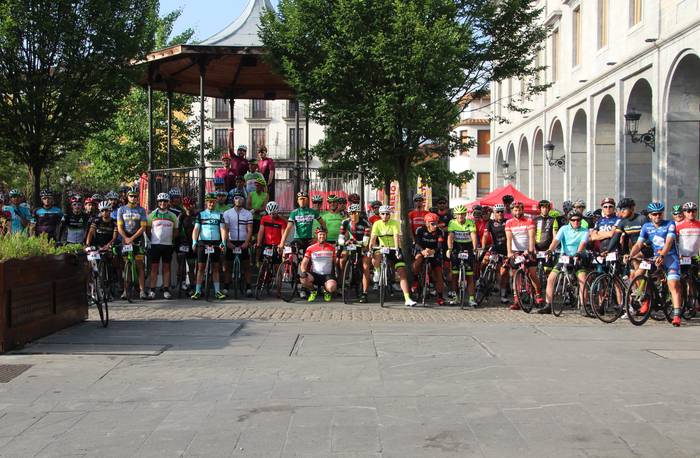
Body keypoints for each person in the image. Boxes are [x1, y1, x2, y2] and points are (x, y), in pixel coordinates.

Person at [628, 202, 683, 327]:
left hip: (670, 257)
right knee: (639, 273)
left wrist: (662, 255)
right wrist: (630, 255)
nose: (657, 216)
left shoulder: (669, 224)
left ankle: (676, 315)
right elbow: (638, 244)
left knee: (673, 284)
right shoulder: (646, 226)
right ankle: (647, 298)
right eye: (654, 214)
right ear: (650, 215)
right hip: (655, 257)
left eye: (659, 213)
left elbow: (669, 242)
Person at [541, 210, 590, 314]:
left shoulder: (585, 230)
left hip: (578, 257)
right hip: (564, 257)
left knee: (583, 280)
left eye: (578, 220)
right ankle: (548, 305)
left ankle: (584, 307)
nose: (576, 222)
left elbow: (583, 243)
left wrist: (578, 253)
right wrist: (550, 250)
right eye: (573, 220)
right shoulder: (564, 228)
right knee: (550, 279)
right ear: (569, 220)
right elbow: (556, 241)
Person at [369, 205, 416, 306]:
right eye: (383, 214)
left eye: (387, 214)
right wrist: (370, 248)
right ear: (379, 214)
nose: (385, 216)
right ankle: (377, 271)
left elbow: (396, 236)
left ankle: (407, 298)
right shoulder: (377, 224)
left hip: (393, 248)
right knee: (375, 257)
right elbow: (373, 237)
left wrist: (397, 249)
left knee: (402, 273)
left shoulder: (394, 223)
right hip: (381, 248)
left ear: (390, 215)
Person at [505, 201, 543, 309]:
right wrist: (509, 252)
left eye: (519, 210)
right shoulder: (509, 222)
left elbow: (531, 236)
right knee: (515, 275)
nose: (517, 212)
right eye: (515, 210)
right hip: (516, 251)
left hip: (528, 250)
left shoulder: (529, 220)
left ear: (522, 210)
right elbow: (509, 239)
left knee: (532, 274)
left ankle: (538, 294)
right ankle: (516, 300)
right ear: (512, 211)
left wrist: (530, 250)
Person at [191, 193, 227, 300]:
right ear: (206, 203)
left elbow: (223, 229)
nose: (211, 204)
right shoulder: (200, 215)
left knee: (215, 268)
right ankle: (197, 291)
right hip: (203, 243)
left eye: (213, 202)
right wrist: (194, 241)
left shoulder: (220, 215)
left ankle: (217, 291)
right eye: (210, 202)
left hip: (215, 243)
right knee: (201, 268)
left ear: (216, 202)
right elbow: (196, 229)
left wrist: (223, 242)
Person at [116, 187, 148, 300]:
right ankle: (125, 291)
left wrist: (133, 238)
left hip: (138, 238)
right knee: (126, 266)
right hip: (126, 238)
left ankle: (142, 291)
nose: (133, 198)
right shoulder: (121, 210)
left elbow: (143, 227)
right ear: (127, 197)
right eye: (131, 196)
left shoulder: (141, 210)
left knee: (139, 264)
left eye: (135, 196)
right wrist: (126, 238)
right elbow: (119, 227)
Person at [146, 193, 179, 299]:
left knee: (166, 268)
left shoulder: (173, 215)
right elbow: (147, 230)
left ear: (168, 202)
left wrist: (171, 240)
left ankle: (166, 289)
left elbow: (176, 231)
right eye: (161, 201)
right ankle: (152, 290)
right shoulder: (152, 215)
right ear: (158, 202)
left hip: (168, 245)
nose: (163, 203)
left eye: (165, 201)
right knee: (154, 268)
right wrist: (152, 240)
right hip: (155, 245)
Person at [338, 203, 372, 303]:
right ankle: (344, 279)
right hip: (351, 244)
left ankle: (365, 293)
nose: (353, 215)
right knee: (342, 259)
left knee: (365, 266)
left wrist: (358, 242)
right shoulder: (345, 222)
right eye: (351, 213)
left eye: (356, 213)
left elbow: (366, 241)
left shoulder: (365, 223)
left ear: (359, 213)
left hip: (363, 245)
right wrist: (344, 242)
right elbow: (341, 237)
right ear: (348, 214)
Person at [411, 213, 446, 305]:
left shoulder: (439, 231)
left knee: (438, 274)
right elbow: (417, 243)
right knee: (417, 260)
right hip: (422, 250)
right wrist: (423, 251)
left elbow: (440, 245)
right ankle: (415, 280)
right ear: (426, 223)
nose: (435, 225)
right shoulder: (420, 230)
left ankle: (440, 296)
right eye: (432, 223)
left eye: (436, 223)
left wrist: (433, 251)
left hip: (434, 252)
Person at [223, 191, 254, 296]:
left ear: (244, 200)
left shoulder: (248, 214)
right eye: (236, 198)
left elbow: (249, 229)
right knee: (228, 266)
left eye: (241, 198)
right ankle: (226, 287)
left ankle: (248, 287)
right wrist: (227, 242)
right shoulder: (227, 213)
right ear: (233, 200)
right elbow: (226, 229)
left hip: (243, 241)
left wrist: (246, 242)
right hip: (231, 240)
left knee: (246, 266)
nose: (238, 200)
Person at [446, 205, 478, 307]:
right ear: (455, 215)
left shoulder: (470, 222)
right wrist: (449, 249)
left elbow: (473, 236)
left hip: (468, 247)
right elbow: (450, 236)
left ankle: (471, 299)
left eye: (462, 214)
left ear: (465, 214)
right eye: (458, 214)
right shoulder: (452, 222)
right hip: (456, 247)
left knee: (469, 275)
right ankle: (455, 297)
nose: (460, 216)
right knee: (454, 274)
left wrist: (475, 248)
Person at [299, 227, 337, 301]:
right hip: (315, 275)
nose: (322, 236)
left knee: (332, 287)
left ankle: (326, 291)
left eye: (324, 234)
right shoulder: (310, 248)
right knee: (303, 278)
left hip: (327, 275)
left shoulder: (332, 248)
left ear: (326, 235)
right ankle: (313, 291)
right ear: (317, 235)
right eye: (320, 234)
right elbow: (304, 262)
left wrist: (337, 274)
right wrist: (303, 272)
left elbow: (335, 262)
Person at [482, 203, 510, 304]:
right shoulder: (490, 223)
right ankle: (482, 279)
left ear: (504, 212)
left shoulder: (508, 222)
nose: (500, 213)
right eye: (498, 212)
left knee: (504, 273)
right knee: (484, 261)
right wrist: (483, 247)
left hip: (505, 250)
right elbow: (485, 235)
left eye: (501, 211)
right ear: (494, 213)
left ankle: (503, 294)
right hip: (494, 248)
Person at [177, 196, 198, 293]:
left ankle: (193, 285)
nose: (188, 207)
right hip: (183, 242)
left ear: (194, 205)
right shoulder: (181, 216)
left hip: (194, 243)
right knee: (181, 264)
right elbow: (177, 230)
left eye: (190, 205)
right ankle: (181, 283)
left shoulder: (197, 215)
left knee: (192, 266)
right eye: (185, 205)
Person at [256, 201, 285, 270]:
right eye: (270, 214)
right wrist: (258, 243)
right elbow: (261, 232)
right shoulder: (264, 219)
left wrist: (281, 245)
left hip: (277, 245)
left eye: (274, 214)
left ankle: (278, 276)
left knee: (277, 267)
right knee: (262, 264)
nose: (272, 215)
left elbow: (283, 234)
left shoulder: (282, 221)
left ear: (277, 212)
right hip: (267, 244)